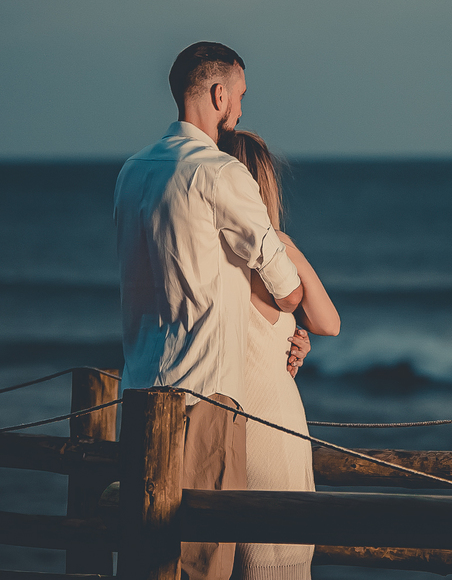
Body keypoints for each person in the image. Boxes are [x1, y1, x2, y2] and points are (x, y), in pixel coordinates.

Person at [114, 41, 304, 580]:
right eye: (239, 95)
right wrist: (288, 315)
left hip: (139, 392)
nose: (240, 110)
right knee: (203, 562)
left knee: (146, 560)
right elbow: (285, 284)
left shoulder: (132, 172)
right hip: (205, 396)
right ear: (219, 94)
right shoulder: (221, 173)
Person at [218, 130, 340, 580]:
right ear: (262, 182)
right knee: (277, 564)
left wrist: (287, 334)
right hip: (272, 420)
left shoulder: (203, 251)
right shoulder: (275, 248)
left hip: (220, 416)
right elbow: (329, 323)